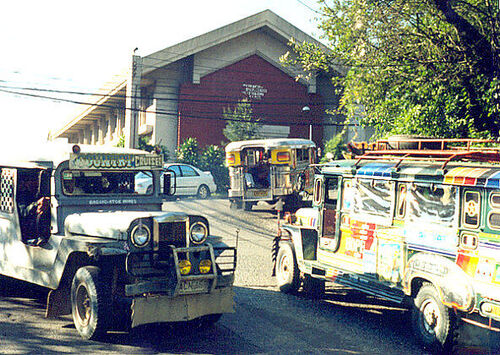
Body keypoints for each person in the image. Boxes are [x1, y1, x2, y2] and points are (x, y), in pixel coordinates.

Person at [17, 170, 51, 246]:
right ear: (25, 183)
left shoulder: (42, 192)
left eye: (35, 180)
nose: (33, 183)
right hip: (26, 229)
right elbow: (23, 212)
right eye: (30, 180)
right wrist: (36, 204)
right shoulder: (22, 195)